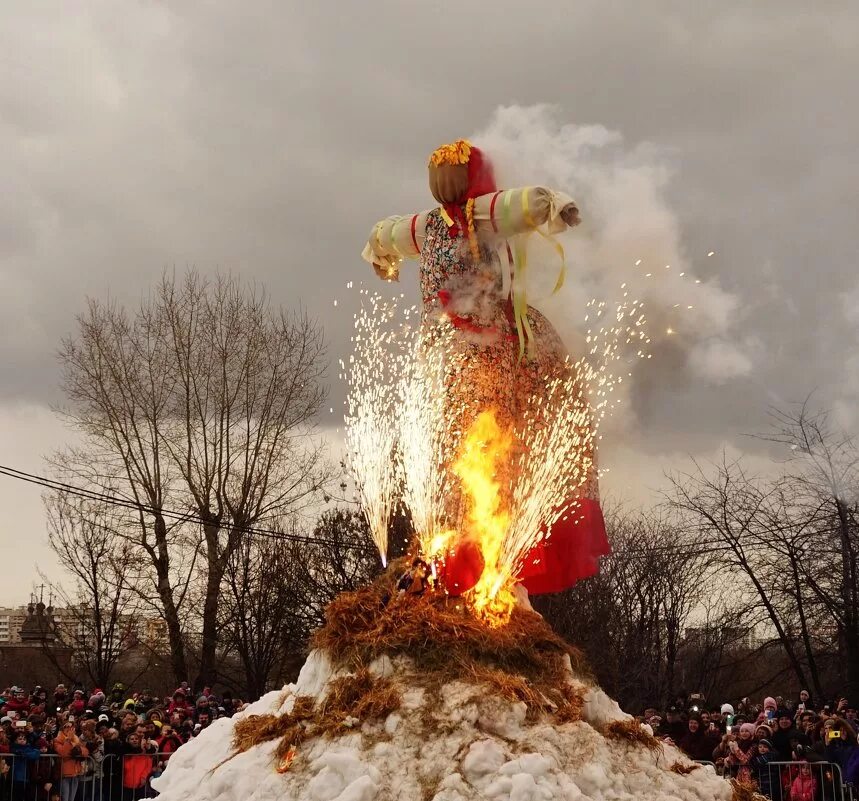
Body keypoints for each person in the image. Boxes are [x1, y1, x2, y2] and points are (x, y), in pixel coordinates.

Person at [364, 139, 608, 598]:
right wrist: (555, 207)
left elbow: (387, 233)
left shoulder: (429, 226)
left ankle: (476, 555)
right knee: (488, 444)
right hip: (474, 352)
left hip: (455, 354)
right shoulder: (478, 214)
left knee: (475, 446)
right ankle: (463, 557)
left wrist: (379, 249)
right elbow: (525, 205)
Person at [53, 719, 89, 801]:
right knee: (65, 798)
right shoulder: (57, 740)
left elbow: (86, 751)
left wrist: (79, 751)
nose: (69, 728)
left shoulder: (76, 739)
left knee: (71, 799)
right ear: (62, 728)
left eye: (71, 726)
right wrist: (68, 740)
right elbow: (64, 753)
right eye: (66, 726)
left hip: (75, 774)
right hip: (64, 775)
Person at [9, 728, 40, 801]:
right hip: (16, 778)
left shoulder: (28, 747)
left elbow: (36, 753)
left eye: (24, 738)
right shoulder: (14, 748)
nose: (22, 740)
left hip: (27, 777)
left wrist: (25, 754)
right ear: (15, 740)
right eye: (20, 738)